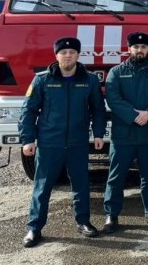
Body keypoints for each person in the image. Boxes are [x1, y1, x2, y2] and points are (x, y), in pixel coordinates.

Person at [19, 37, 107, 248]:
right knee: (42, 186)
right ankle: (34, 228)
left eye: (72, 52)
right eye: (63, 52)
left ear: (78, 55)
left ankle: (83, 222)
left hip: (77, 142)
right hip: (49, 143)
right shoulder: (42, 80)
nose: (68, 55)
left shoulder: (89, 80)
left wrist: (98, 134)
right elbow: (28, 111)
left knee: (81, 184)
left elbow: (98, 109)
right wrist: (28, 139)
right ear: (56, 55)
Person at [103, 32, 148, 233]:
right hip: (123, 135)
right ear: (129, 49)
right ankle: (111, 215)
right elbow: (113, 98)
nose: (139, 50)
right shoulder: (116, 72)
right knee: (116, 177)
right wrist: (134, 116)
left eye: (143, 47)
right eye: (136, 47)